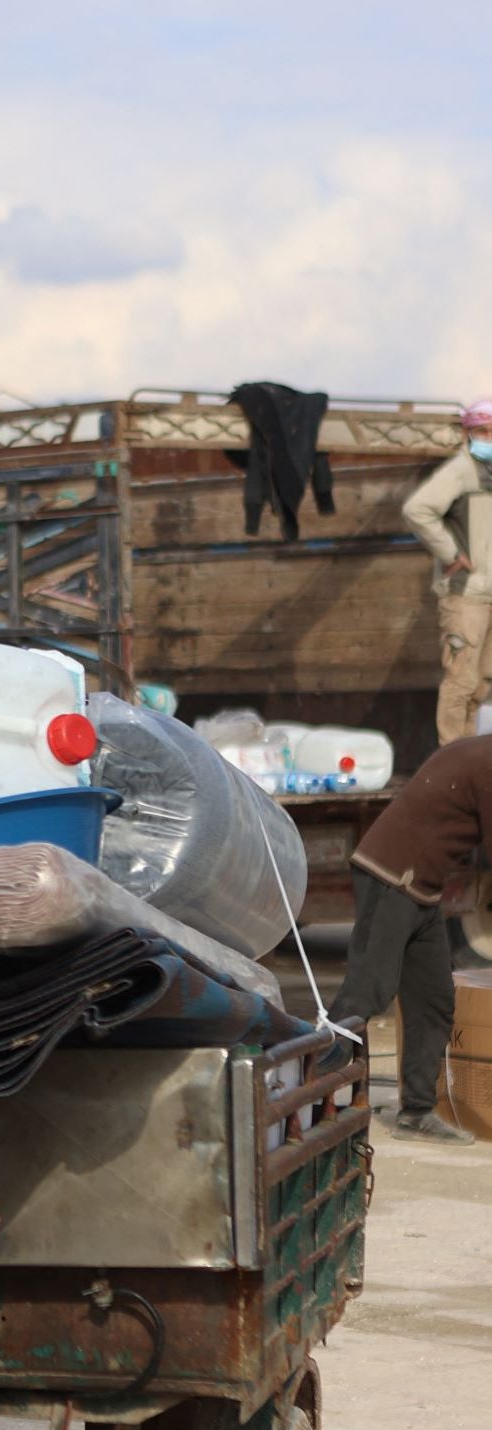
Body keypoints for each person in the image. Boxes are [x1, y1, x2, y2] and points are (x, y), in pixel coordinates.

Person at [325, 736, 492, 1143]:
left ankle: (416, 1113)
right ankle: (307, 1085)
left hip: (420, 887)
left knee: (433, 998)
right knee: (369, 990)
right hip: (391, 875)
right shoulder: (489, 762)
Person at [404, 399, 492, 745]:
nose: (487, 438)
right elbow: (417, 509)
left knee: (483, 682)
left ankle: (466, 756)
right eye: (481, 431)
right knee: (461, 680)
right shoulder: (461, 470)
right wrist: (450, 552)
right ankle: (450, 758)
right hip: (466, 592)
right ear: (467, 433)